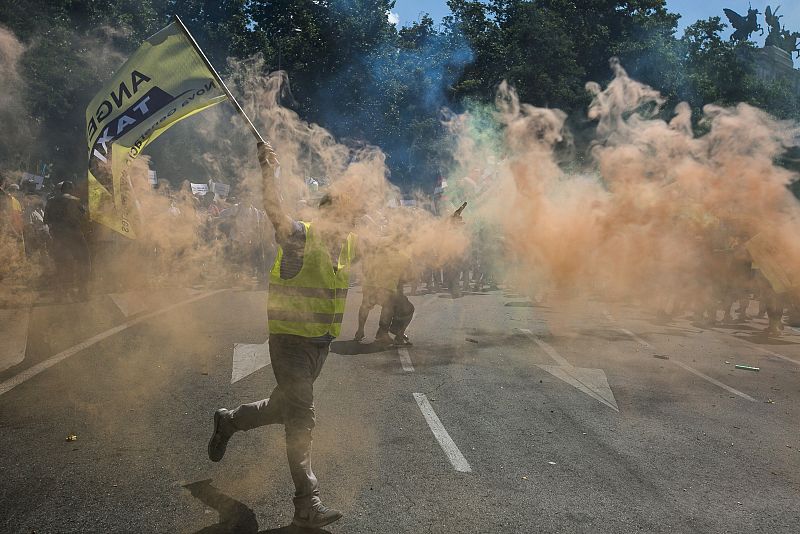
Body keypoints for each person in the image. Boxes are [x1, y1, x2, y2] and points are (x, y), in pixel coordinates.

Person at [207, 141, 358, 529]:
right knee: (301, 419)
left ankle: (229, 421)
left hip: (318, 347)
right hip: (290, 343)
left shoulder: (348, 246)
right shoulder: (301, 237)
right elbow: (275, 212)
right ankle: (307, 503)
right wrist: (267, 170)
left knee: (281, 409)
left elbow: (401, 248)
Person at [43, 181, 91, 301]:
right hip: (75, 235)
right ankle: (82, 291)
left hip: (58, 236)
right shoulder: (77, 201)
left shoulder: (51, 201)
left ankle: (61, 293)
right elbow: (85, 219)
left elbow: (46, 220)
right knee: (84, 261)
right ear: (71, 190)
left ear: (61, 190)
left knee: (61, 264)